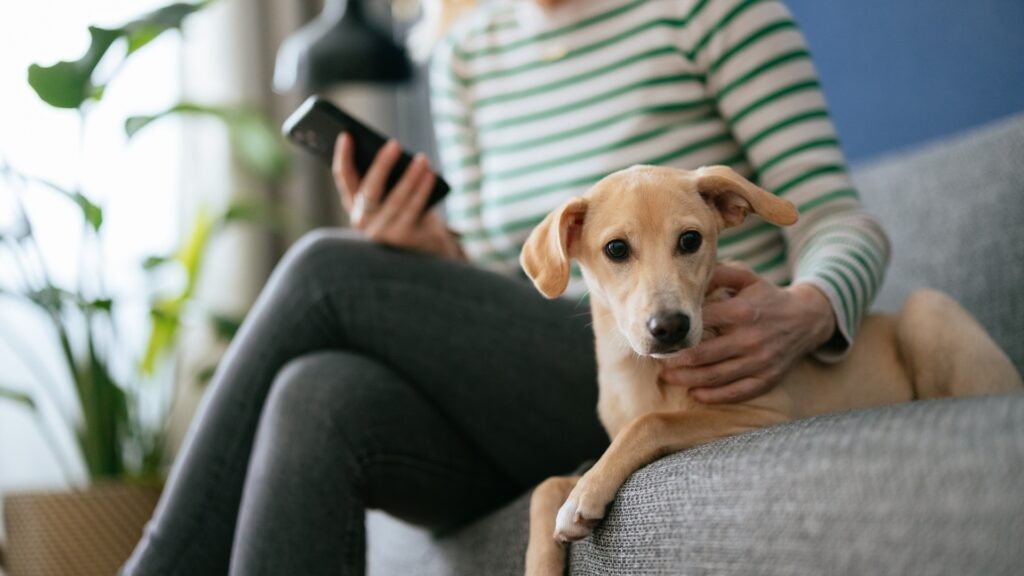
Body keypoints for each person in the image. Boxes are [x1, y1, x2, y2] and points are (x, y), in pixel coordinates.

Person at [122, 0, 889, 574]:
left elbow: (836, 219)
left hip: (685, 369)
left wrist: (809, 310)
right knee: (317, 392)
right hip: (536, 383)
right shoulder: (466, 52)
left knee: (328, 269)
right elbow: (509, 274)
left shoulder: (713, 14)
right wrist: (431, 252)